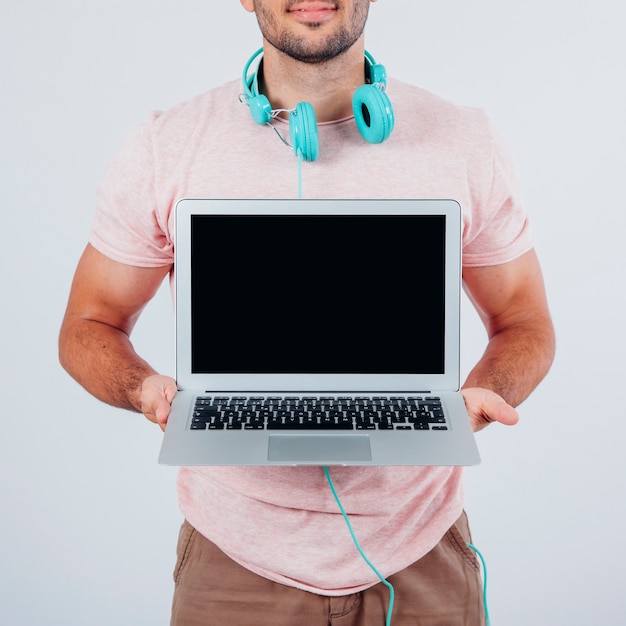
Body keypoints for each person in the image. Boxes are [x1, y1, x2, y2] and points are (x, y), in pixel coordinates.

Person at [59, 1, 555, 624]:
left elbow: (523, 319)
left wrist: (482, 393)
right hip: (232, 566)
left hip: (421, 554)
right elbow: (88, 323)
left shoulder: (464, 139)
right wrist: (143, 390)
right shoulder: (165, 147)